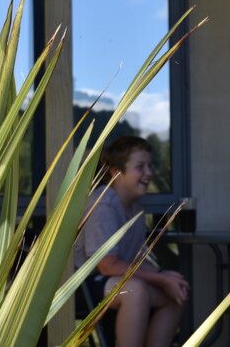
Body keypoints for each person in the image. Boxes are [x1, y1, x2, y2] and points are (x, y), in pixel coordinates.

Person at [73, 136, 190, 347]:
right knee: (135, 291)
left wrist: (165, 277)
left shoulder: (135, 206)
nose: (149, 173)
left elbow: (136, 259)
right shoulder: (103, 204)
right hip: (82, 284)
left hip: (113, 280)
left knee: (175, 291)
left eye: (150, 165)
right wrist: (160, 279)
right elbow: (107, 265)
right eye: (140, 167)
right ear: (116, 172)